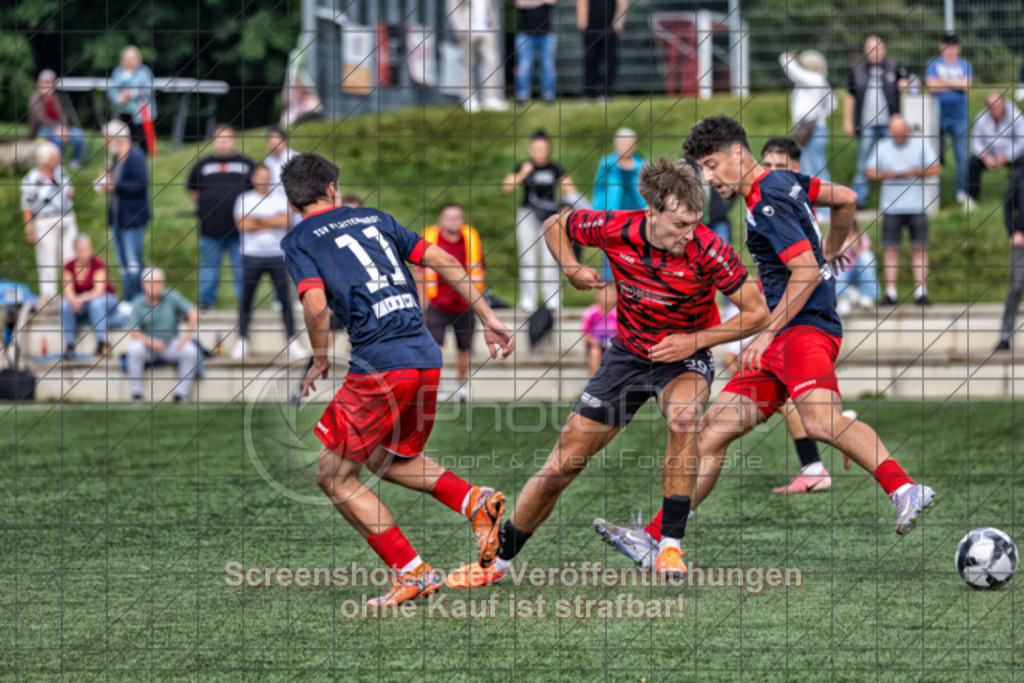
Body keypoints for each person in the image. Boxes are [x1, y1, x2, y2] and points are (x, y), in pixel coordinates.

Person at [444, 158, 769, 588]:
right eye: (679, 224)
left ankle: (669, 545)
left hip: (684, 358)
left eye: (694, 222)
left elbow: (757, 312)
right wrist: (570, 267)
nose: (689, 233)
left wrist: (694, 341)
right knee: (561, 466)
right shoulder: (616, 226)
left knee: (685, 418)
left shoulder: (710, 250)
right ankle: (497, 563)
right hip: (627, 356)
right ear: (651, 212)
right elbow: (555, 225)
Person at [682, 115, 934, 543]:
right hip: (787, 333)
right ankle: (662, 536)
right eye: (702, 169)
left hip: (801, 330)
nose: (707, 178)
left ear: (737, 154)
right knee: (710, 434)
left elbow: (805, 272)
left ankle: (906, 489)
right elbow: (846, 198)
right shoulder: (783, 180)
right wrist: (831, 248)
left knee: (820, 422)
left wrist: (766, 331)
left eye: (711, 165)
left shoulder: (766, 201)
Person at [279, 152, 514, 607]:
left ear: (293, 203)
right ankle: (475, 502)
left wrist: (321, 358)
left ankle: (413, 573)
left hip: (381, 365)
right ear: (332, 189)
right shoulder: (376, 217)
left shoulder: (299, 240)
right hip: (425, 355)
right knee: (385, 458)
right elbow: (442, 259)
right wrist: (488, 316)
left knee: (334, 477)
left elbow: (314, 306)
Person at [865, 114, 940, 306]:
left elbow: (936, 169)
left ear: (907, 131)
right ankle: (891, 293)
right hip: (891, 207)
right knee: (890, 250)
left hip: (917, 206)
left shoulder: (920, 146)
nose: (898, 138)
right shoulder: (882, 146)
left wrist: (913, 172)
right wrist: (886, 174)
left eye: (901, 134)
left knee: (920, 248)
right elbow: (869, 172)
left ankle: (921, 292)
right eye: (895, 135)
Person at [232, 164, 305, 360]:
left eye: (266, 176)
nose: (263, 180)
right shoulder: (244, 199)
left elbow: (285, 221)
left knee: (285, 300)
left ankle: (292, 340)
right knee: (246, 300)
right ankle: (242, 340)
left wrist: (256, 220)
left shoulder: (280, 199)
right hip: (251, 255)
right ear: (253, 178)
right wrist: (271, 221)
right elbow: (242, 225)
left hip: (276, 255)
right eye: (260, 176)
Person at [504, 130, 579, 312]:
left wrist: (566, 207)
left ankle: (552, 300)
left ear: (548, 149)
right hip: (528, 215)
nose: (539, 152)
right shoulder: (524, 166)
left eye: (543, 148)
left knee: (551, 259)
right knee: (528, 258)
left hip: (550, 218)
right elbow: (507, 187)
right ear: (531, 149)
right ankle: (528, 300)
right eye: (536, 148)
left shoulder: (555, 168)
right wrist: (523, 173)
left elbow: (571, 191)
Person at [419, 203, 485, 403]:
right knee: (435, 349)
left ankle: (460, 385)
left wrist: (478, 302)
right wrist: (421, 302)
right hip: (437, 303)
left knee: (465, 348)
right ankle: (436, 386)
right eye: (449, 218)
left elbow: (480, 270)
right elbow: (419, 272)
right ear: (441, 220)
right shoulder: (431, 239)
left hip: (464, 304)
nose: (453, 222)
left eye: (456, 218)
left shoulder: (470, 238)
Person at [186, 124, 255, 310]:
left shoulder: (247, 164)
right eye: (220, 140)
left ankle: (245, 304)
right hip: (210, 228)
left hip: (239, 229)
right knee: (209, 267)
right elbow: (192, 189)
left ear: (233, 141)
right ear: (214, 141)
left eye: (227, 139)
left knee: (240, 268)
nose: (223, 144)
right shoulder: (202, 165)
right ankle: (207, 303)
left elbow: (256, 190)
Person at [845, 36, 908, 207]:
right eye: (872, 49)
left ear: (884, 50)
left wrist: (906, 85)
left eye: (878, 49)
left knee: (894, 160)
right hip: (867, 124)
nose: (875, 53)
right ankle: (858, 200)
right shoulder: (856, 69)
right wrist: (848, 121)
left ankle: (897, 199)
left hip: (890, 124)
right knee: (863, 162)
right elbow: (850, 97)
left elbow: (907, 85)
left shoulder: (895, 66)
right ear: (866, 51)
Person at [125, 268, 202, 403]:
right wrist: (149, 342)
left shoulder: (171, 297)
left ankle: (181, 394)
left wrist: (188, 337)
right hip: (148, 347)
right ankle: (136, 394)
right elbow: (134, 331)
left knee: (190, 351)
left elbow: (193, 311)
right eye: (152, 282)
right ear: (144, 285)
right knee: (134, 349)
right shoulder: (138, 303)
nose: (156, 286)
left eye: (159, 282)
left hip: (170, 344)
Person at [96, 119, 150, 306]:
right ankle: (129, 300)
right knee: (123, 264)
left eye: (106, 138)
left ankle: (137, 301)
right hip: (117, 219)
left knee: (133, 263)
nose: (104, 142)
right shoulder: (116, 158)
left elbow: (141, 185)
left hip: (132, 219)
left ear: (117, 137)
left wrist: (115, 186)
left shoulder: (135, 156)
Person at [20, 141, 77, 304]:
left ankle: (71, 297)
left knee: (70, 259)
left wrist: (71, 194)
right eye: (54, 158)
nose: (57, 161)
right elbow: (27, 207)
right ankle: (50, 300)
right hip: (45, 221)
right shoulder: (32, 178)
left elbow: (69, 190)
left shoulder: (60, 172)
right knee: (48, 261)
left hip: (67, 218)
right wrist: (29, 230)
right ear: (45, 160)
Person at [926, 33, 973, 210]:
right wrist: (956, 83)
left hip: (959, 116)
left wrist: (943, 82)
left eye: (953, 46)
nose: (950, 49)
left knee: (962, 155)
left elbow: (966, 85)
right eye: (947, 45)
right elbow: (931, 86)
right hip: (936, 115)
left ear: (958, 48)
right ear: (941, 47)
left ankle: (961, 191)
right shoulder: (933, 64)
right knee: (933, 154)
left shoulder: (965, 65)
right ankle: (932, 192)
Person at [60, 235, 123, 358]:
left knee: (96, 304)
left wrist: (81, 299)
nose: (85, 252)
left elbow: (98, 291)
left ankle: (102, 343)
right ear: (75, 250)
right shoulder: (69, 266)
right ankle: (69, 345)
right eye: (81, 249)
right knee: (65, 305)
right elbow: (68, 291)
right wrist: (74, 301)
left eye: (87, 248)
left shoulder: (98, 263)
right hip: (82, 304)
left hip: (105, 299)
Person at [779, 50, 835, 184]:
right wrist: (818, 114)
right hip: (815, 128)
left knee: (815, 170)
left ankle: (826, 197)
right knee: (809, 168)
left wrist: (788, 57)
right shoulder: (819, 80)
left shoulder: (812, 79)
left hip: (811, 130)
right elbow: (832, 104)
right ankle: (814, 197)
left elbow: (791, 69)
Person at [967, 93, 1024, 215]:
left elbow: (1021, 141)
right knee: (972, 163)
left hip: (1011, 152)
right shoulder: (981, 118)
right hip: (990, 154)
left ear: (1004, 105)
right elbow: (976, 142)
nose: (994, 111)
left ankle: (1017, 199)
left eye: (997, 107)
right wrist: (984, 156)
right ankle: (971, 198)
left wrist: (1007, 156)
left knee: (1022, 162)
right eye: (991, 108)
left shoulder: (1016, 116)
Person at [447, 0, 509, 113]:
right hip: (467, 30)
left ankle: (491, 98)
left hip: (487, 29)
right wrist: (460, 29)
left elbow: (492, 6)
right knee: (468, 65)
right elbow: (453, 8)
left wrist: (494, 26)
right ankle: (469, 99)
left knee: (492, 63)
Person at [26, 69, 86, 170]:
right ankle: (57, 164)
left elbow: (63, 115)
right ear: (39, 83)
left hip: (59, 127)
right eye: (46, 82)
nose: (49, 85)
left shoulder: (56, 97)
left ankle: (75, 162)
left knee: (79, 135)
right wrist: (56, 129)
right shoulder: (34, 98)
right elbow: (41, 118)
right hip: (42, 129)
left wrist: (64, 128)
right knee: (57, 139)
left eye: (51, 82)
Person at [108, 45, 156, 154]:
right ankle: (124, 157)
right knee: (123, 137)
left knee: (142, 138)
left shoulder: (144, 72)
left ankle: (143, 158)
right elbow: (112, 91)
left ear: (138, 59)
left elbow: (150, 89)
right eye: (127, 59)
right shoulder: (118, 72)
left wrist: (132, 93)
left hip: (140, 112)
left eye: (132, 59)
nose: (130, 62)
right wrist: (119, 98)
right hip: (122, 111)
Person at [577, 0, 628, 101]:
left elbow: (622, 3)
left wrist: (619, 21)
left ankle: (606, 93)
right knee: (590, 60)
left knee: (610, 61)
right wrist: (582, 22)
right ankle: (589, 93)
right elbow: (582, 3)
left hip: (609, 28)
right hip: (590, 28)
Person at [514, 0, 557, 104]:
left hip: (546, 34)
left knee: (548, 66)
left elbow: (552, 2)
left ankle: (549, 95)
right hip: (524, 34)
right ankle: (522, 95)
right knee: (524, 66)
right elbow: (519, 3)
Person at [581, 284, 617, 375]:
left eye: (609, 295)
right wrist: (593, 341)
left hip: (612, 345)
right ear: (597, 296)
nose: (606, 298)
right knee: (595, 352)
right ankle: (594, 380)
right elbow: (585, 334)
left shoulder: (617, 313)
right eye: (604, 295)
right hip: (596, 345)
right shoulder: (591, 312)